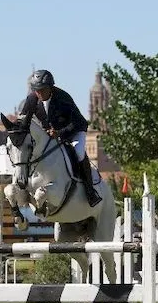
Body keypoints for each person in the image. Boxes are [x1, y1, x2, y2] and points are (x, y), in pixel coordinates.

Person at [19, 69, 103, 207]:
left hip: (73, 131)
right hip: (50, 135)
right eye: (36, 90)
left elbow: (78, 122)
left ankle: (90, 191)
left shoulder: (63, 98)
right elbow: (23, 120)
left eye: (42, 89)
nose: (39, 93)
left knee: (79, 153)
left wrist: (60, 132)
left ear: (50, 87)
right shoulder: (32, 99)